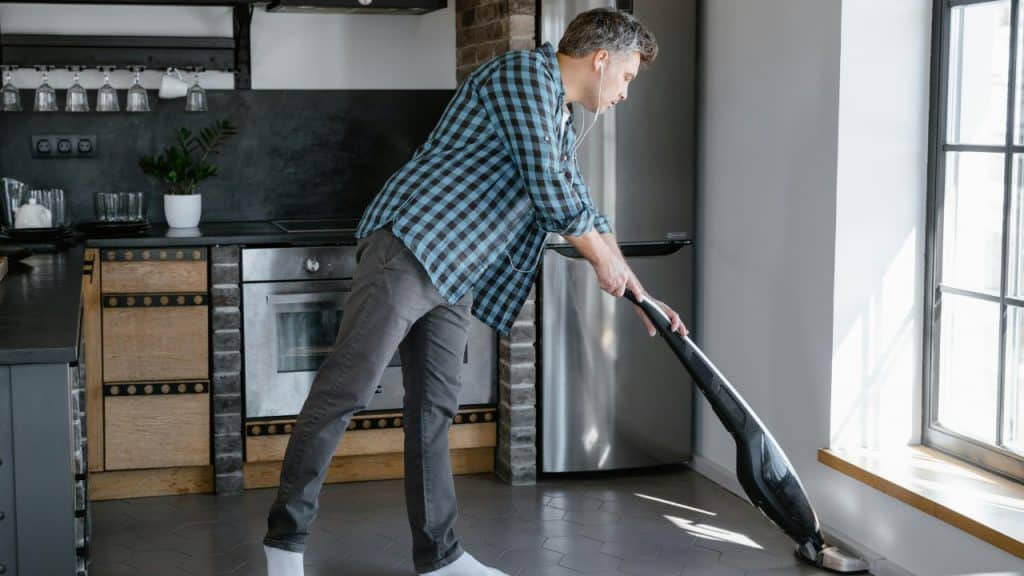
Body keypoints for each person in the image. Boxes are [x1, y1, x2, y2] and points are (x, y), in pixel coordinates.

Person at [263, 8, 687, 576]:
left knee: (433, 411)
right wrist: (602, 268)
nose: (626, 94)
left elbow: (581, 201)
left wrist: (639, 291)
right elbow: (550, 190)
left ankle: (438, 558)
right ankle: (284, 544)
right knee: (347, 389)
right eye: (629, 78)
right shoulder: (524, 77)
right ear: (601, 59)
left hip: (456, 268)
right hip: (410, 247)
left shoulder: (558, 114)